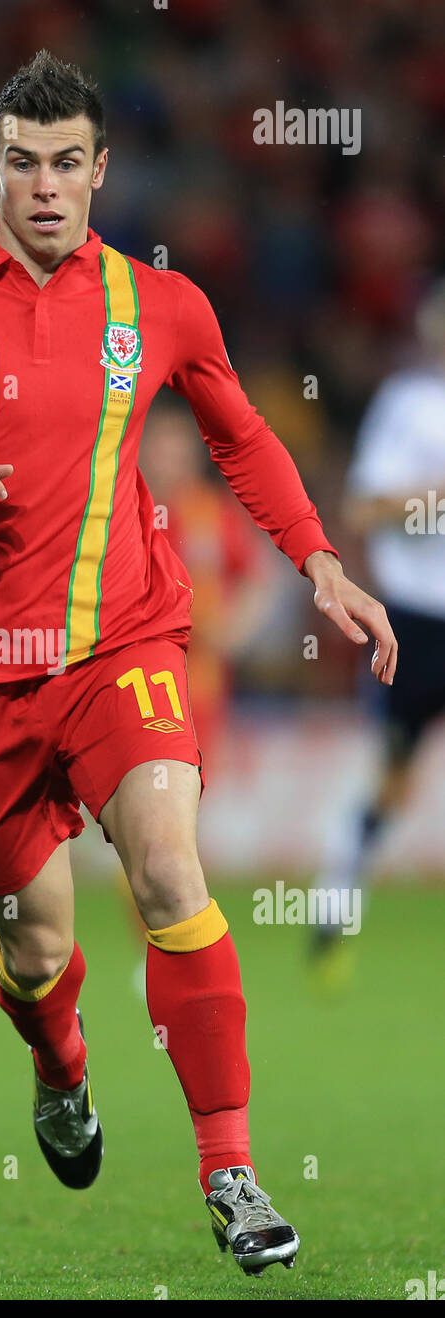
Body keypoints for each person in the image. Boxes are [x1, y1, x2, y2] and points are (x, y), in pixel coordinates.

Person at [0, 51, 397, 1278]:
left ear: (99, 170)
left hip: (123, 643)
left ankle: (228, 1169)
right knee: (35, 947)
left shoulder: (156, 305)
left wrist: (318, 562)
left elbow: (240, 434)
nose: (46, 187)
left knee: (172, 872)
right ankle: (59, 1065)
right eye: (22, 163)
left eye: (67, 163)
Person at [312, 279, 445, 968]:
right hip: (423, 617)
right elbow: (363, 512)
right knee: (395, 767)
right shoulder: (409, 406)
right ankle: (335, 901)